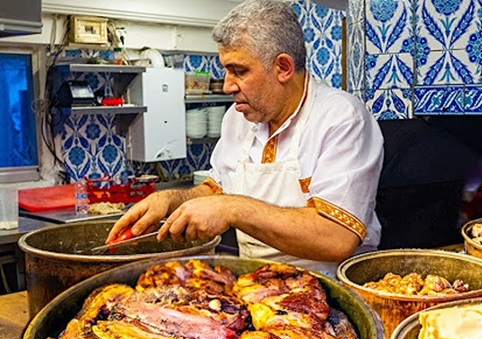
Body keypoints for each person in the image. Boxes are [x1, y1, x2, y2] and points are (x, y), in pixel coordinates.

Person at [107, 0, 384, 274]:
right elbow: (217, 189)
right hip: (255, 287)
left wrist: (232, 209)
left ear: (283, 67)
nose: (228, 85)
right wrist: (171, 201)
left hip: (331, 294)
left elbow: (337, 238)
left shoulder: (342, 118)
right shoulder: (237, 118)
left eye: (239, 71)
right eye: (226, 70)